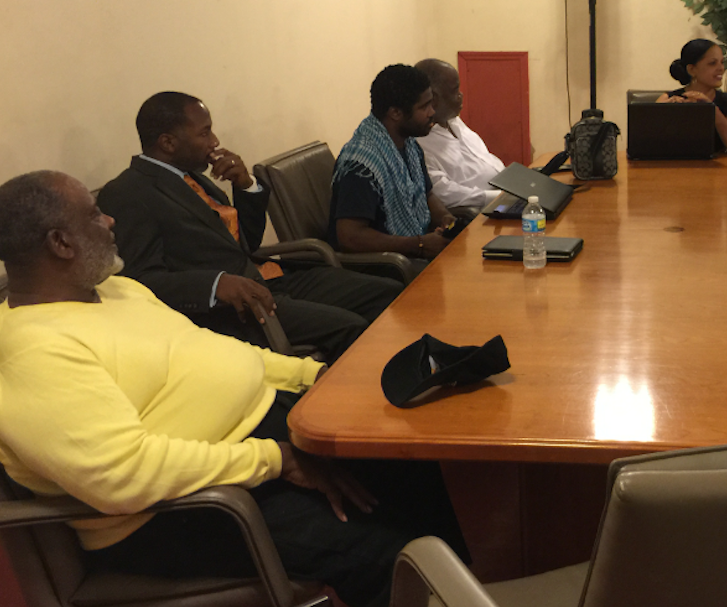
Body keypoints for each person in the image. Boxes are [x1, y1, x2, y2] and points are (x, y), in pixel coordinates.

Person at [0, 171, 468, 607]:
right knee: (385, 551)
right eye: (93, 214)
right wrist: (276, 459)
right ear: (60, 244)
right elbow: (124, 475)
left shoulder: (116, 290)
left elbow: (218, 354)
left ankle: (464, 586)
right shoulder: (32, 350)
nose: (110, 220)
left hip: (256, 440)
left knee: (407, 454)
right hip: (182, 510)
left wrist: (313, 377)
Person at [98, 92, 403, 361]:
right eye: (204, 133)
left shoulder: (191, 176)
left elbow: (247, 243)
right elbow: (139, 280)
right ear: (168, 142)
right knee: (349, 326)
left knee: (388, 292)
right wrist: (216, 284)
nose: (215, 142)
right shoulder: (128, 193)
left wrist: (245, 185)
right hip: (234, 306)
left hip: (269, 278)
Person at [329, 64, 458, 260]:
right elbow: (350, 236)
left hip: (410, 254)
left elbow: (427, 193)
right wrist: (419, 244)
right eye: (424, 107)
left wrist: (444, 217)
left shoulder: (410, 145)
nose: (432, 112)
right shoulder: (361, 165)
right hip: (382, 266)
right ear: (395, 113)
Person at [412, 58, 505, 217]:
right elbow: (444, 193)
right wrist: (499, 197)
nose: (461, 95)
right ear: (433, 98)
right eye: (455, 90)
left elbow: (483, 158)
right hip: (486, 209)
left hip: (505, 190)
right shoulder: (420, 144)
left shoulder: (453, 121)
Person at [655, 38, 727, 155]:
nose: (721, 68)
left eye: (722, 62)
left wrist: (713, 111)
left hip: (718, 170)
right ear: (692, 69)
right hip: (674, 167)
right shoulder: (666, 99)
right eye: (712, 63)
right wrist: (665, 113)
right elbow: (647, 143)